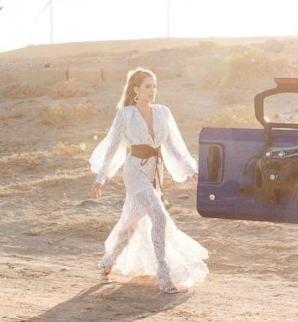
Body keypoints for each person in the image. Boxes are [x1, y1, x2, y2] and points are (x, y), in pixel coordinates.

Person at [89, 68, 208, 294]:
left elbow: (173, 145)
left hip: (156, 171)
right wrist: (100, 178)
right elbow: (112, 148)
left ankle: (106, 264)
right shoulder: (125, 114)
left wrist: (192, 170)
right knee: (159, 216)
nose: (152, 90)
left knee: (132, 223)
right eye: (147, 86)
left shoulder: (163, 112)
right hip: (135, 171)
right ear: (136, 89)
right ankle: (164, 275)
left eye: (155, 86)